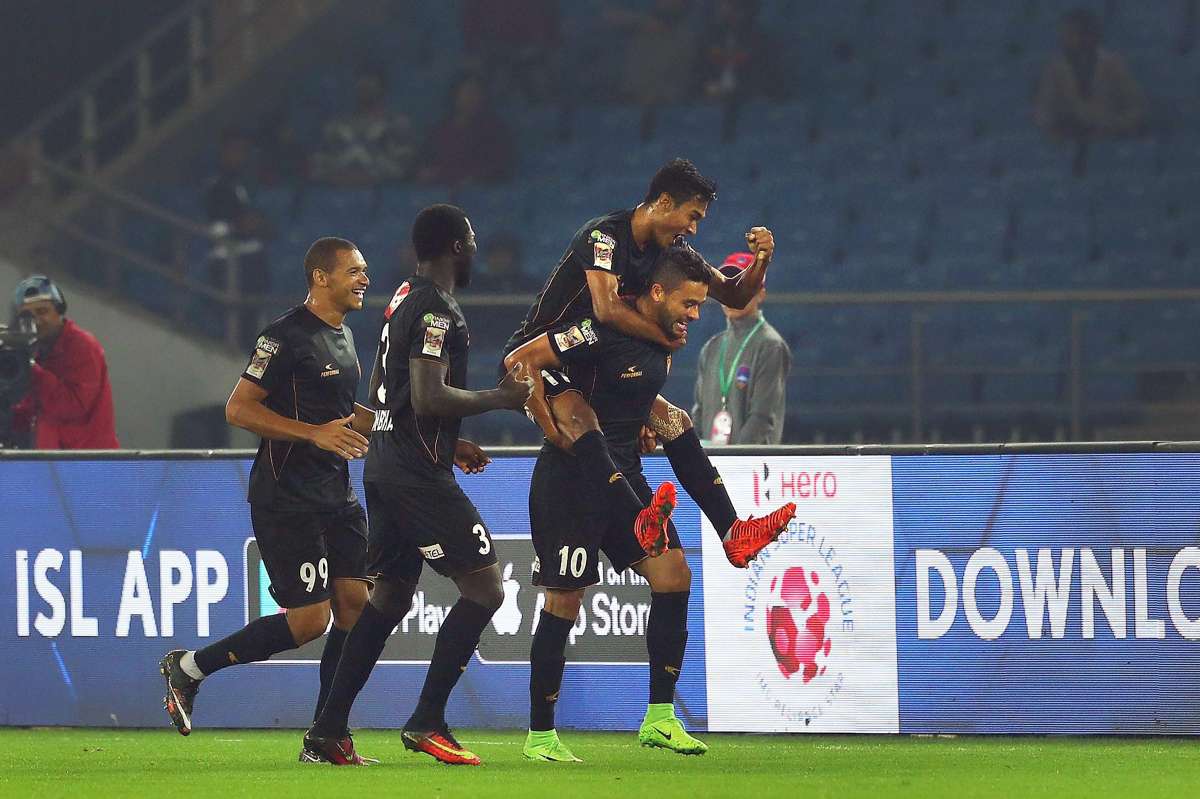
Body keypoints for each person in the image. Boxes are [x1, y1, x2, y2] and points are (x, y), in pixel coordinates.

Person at [505, 244, 795, 761]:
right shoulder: (599, 329)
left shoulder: (663, 341)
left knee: (674, 574)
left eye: (700, 305)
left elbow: (635, 397)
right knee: (564, 600)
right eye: (689, 304)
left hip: (625, 471)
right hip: (573, 479)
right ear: (657, 292)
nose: (695, 315)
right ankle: (541, 735)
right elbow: (519, 361)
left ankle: (660, 717)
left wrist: (646, 417)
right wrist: (549, 425)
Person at [301, 205, 546, 766]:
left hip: (388, 463)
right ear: (457, 246)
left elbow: (396, 396)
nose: (476, 247)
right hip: (416, 474)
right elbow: (430, 395)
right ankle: (427, 719)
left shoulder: (403, 297)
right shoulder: (437, 309)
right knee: (486, 590)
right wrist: (502, 397)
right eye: (472, 239)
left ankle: (327, 731)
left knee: (388, 597)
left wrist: (451, 440)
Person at [502, 158, 793, 571]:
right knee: (580, 415)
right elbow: (605, 309)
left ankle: (733, 533)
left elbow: (733, 295)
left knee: (674, 421)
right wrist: (663, 337)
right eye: (692, 216)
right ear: (664, 202)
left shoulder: (670, 251)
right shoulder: (604, 236)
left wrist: (760, 260)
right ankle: (636, 519)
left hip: (593, 360)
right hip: (540, 358)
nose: (694, 228)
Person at [159, 238, 375, 756]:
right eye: (353, 271)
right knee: (309, 622)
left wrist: (373, 423)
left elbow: (337, 412)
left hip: (337, 493)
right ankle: (189, 668)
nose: (364, 279)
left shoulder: (345, 336)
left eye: (364, 270)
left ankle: (327, 735)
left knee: (356, 606)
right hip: (287, 497)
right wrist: (314, 433)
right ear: (321, 277)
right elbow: (238, 409)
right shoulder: (282, 337)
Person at [692, 252, 791, 445]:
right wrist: (695, 456)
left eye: (742, 286)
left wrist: (734, 457)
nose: (732, 295)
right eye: (728, 287)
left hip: (750, 462)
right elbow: (698, 413)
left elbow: (762, 418)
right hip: (710, 462)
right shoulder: (711, 347)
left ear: (761, 293)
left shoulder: (771, 345)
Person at [9, 275, 118, 449]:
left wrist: (30, 369)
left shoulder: (82, 345)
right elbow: (31, 412)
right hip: (55, 459)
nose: (36, 321)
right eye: (28, 316)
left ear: (59, 311)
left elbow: (73, 406)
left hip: (87, 461)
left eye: (42, 311)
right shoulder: (38, 352)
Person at [1033, 7, 1147, 143]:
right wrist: (1055, 129)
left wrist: (1116, 125)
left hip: (1109, 138)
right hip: (1068, 139)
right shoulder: (1054, 69)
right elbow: (1044, 109)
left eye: (1071, 33)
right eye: (1064, 34)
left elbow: (1136, 106)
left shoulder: (1113, 65)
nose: (1064, 38)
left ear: (1088, 35)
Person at [311, 64, 416, 186]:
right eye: (361, 85)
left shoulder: (397, 124)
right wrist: (337, 177)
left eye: (370, 85)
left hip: (382, 192)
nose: (365, 89)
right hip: (336, 191)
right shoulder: (336, 125)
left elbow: (403, 168)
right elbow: (318, 164)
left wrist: (369, 177)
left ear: (382, 89)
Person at [417, 73, 514, 185]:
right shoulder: (440, 129)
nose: (471, 98)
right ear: (455, 95)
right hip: (440, 189)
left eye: (476, 93)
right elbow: (427, 162)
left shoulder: (495, 130)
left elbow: (497, 167)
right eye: (467, 92)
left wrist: (471, 179)